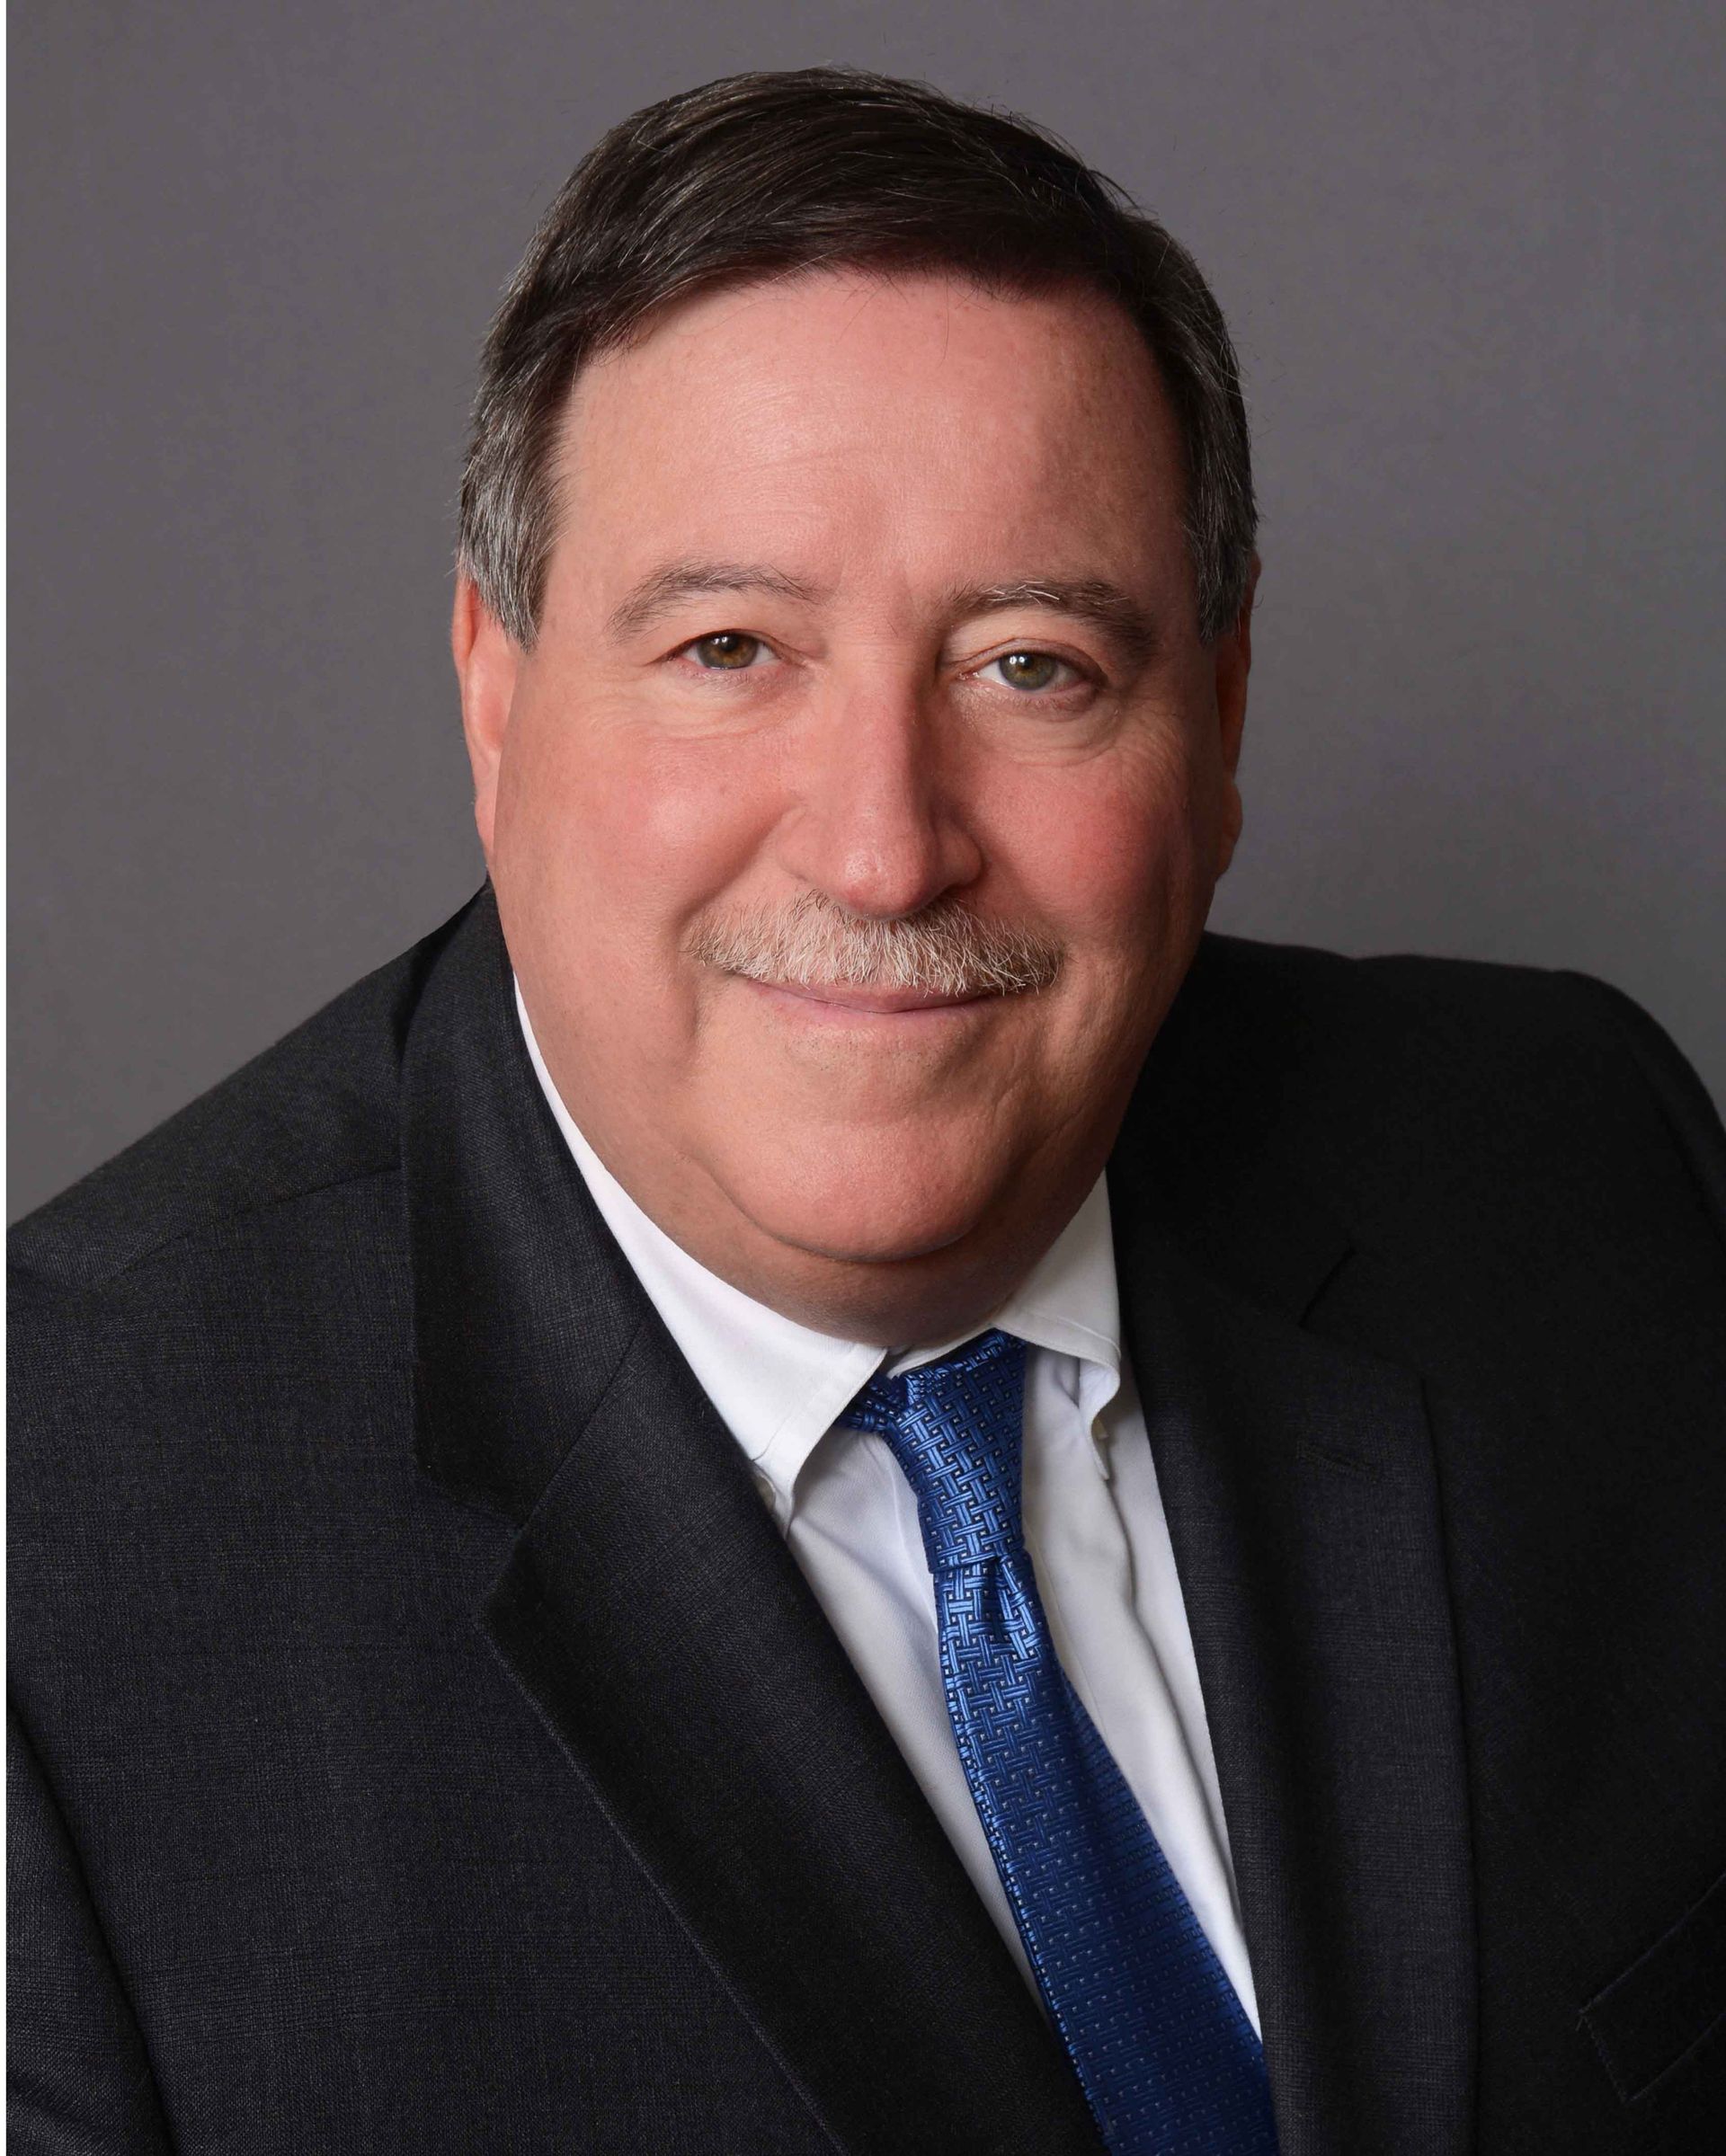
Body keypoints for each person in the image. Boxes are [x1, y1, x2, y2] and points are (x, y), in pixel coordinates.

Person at [9, 66, 1723, 2156]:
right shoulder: (59, 1568)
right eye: (731, 648)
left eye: (1031, 666)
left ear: (1218, 715)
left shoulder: (1577, 1173)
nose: (887, 850)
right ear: (494, 692)